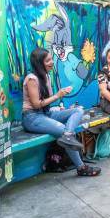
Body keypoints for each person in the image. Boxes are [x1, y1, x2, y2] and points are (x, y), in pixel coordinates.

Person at [22, 47, 101, 176]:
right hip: (32, 117)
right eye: (48, 60)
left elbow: (45, 102)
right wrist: (58, 95)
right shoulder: (32, 79)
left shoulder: (46, 76)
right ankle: (81, 167)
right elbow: (36, 105)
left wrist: (58, 108)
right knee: (61, 129)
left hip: (45, 114)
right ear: (39, 63)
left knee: (78, 110)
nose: (52, 62)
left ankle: (68, 134)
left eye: (50, 59)